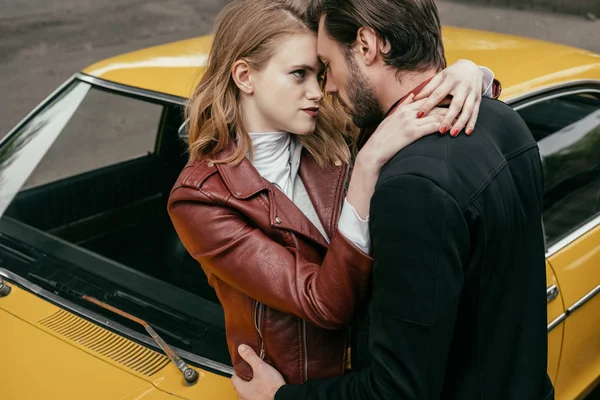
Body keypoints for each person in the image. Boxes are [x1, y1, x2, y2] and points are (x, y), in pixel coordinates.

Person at [232, 0, 554, 399]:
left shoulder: (412, 186)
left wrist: (281, 398)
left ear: (366, 44)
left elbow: (396, 392)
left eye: (328, 66)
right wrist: (472, 72)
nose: (327, 87)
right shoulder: (504, 120)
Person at [169, 0, 498, 388]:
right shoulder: (202, 198)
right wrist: (366, 167)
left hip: (386, 380)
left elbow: (421, 98)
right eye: (299, 74)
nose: (318, 90)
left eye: (321, 72)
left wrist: (470, 74)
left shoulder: (337, 131)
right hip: (300, 389)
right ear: (245, 76)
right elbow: (323, 304)